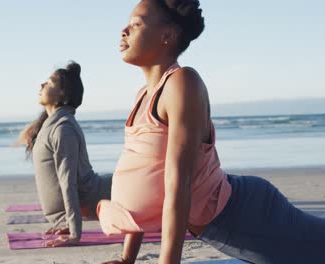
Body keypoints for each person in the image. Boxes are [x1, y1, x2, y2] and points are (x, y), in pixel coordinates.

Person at [97, 1, 325, 263]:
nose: (123, 30)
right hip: (225, 222)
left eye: (136, 24)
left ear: (167, 36)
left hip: (246, 216)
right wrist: (128, 258)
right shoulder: (143, 96)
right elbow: (143, 172)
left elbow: (177, 181)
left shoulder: (182, 83)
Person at [17, 61, 112, 247]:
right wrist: (68, 224)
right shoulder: (51, 125)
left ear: (63, 94)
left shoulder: (63, 129)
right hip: (100, 192)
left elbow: (68, 182)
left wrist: (75, 234)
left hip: (109, 193)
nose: (42, 85)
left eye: (50, 82)